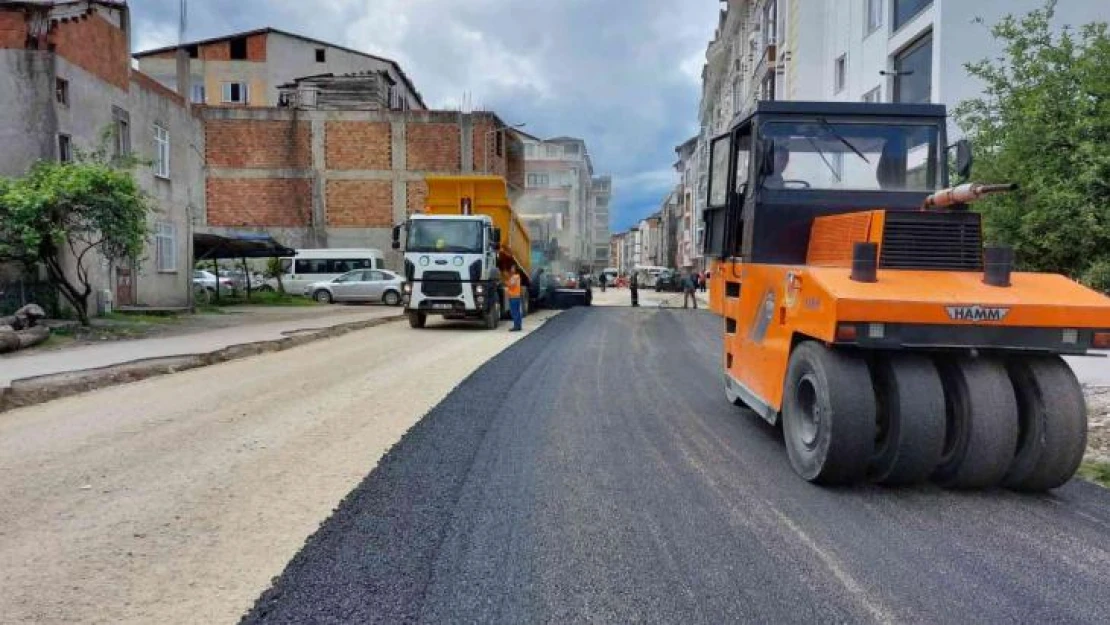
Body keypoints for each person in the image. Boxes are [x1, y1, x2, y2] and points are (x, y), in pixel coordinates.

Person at [507, 265, 523, 332]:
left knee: (514, 312)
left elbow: (512, 285)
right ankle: (519, 326)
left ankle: (516, 326)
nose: (511, 269)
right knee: (517, 312)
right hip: (516, 296)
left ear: (515, 269)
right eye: (511, 268)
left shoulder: (515, 277)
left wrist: (506, 283)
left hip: (513, 297)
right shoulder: (517, 276)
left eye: (512, 268)